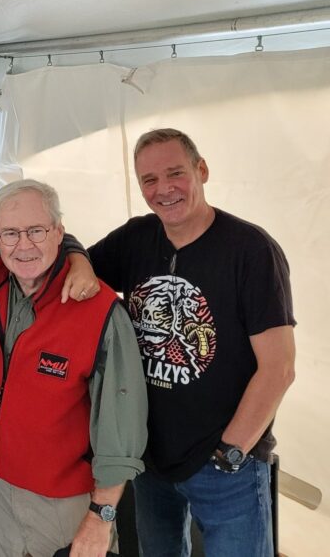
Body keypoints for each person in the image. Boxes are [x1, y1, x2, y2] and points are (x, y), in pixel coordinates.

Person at [88, 128, 295, 556]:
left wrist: (231, 453)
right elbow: (77, 269)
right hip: (152, 460)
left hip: (224, 466)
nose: (163, 189)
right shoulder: (136, 239)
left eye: (175, 173)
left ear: (201, 170)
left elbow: (279, 367)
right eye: (148, 180)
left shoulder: (250, 249)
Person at [0, 179, 148, 557]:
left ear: (59, 233)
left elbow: (121, 427)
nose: (24, 244)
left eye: (36, 230)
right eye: (11, 233)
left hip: (61, 504)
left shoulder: (99, 312)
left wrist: (102, 515)